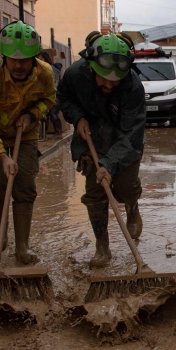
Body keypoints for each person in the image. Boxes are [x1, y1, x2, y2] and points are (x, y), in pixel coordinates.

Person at [57, 31, 146, 268]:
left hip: (123, 139)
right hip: (91, 137)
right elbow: (63, 97)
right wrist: (77, 118)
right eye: (104, 78)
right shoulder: (75, 74)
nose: (109, 84)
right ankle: (102, 246)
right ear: (91, 66)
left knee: (125, 187)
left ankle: (131, 205)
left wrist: (109, 164)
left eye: (115, 80)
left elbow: (131, 135)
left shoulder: (133, 87)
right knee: (95, 194)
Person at [0, 21, 57, 264]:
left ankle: (22, 246)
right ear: (4, 57)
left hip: (26, 132)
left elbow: (49, 99)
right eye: (13, 59)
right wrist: (2, 155)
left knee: (24, 184)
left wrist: (31, 115)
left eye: (25, 59)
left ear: (34, 57)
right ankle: (1, 229)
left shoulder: (45, 73)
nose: (19, 65)